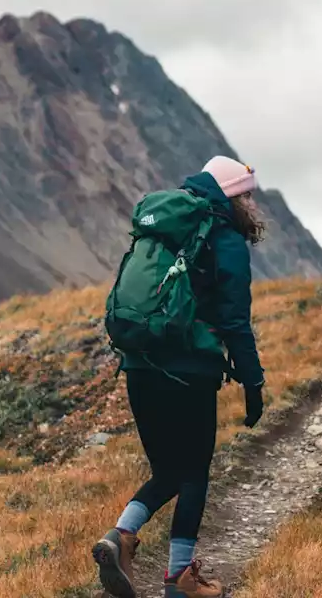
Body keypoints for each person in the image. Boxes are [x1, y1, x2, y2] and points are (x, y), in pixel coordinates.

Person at [92, 156, 269, 598]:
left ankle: (121, 536)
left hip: (139, 362)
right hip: (188, 371)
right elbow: (234, 321)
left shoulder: (165, 229)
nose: (251, 203)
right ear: (232, 195)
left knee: (169, 471)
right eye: (246, 193)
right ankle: (178, 580)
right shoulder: (223, 238)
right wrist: (253, 383)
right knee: (193, 474)